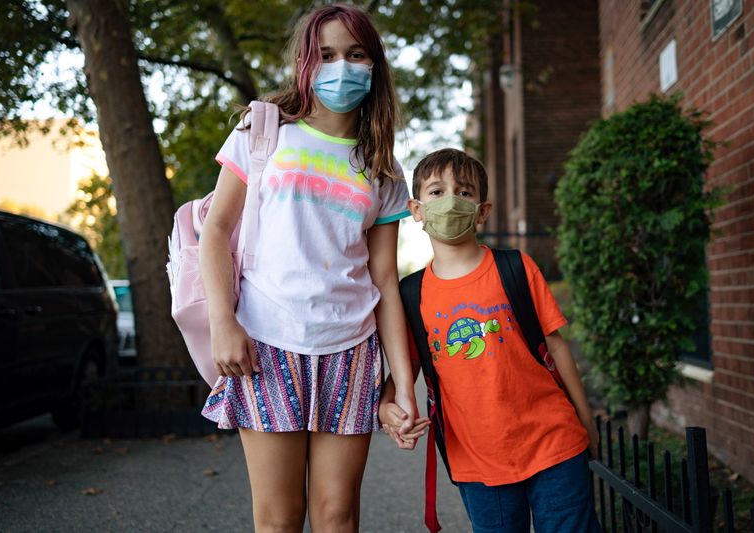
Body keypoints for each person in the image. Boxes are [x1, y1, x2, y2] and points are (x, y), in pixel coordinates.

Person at [198, 4, 418, 532]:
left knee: (337, 516)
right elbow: (215, 232)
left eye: (355, 54)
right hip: (266, 344)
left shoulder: (381, 166)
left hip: (352, 351)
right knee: (278, 519)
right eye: (326, 55)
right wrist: (222, 324)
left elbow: (384, 280)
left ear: (374, 64)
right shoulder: (264, 131)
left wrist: (404, 383)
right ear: (306, 63)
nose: (341, 67)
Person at [379, 148, 601, 533]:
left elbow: (557, 347)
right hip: (477, 463)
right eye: (436, 191)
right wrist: (387, 408)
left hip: (553, 443)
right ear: (415, 210)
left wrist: (587, 423)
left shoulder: (516, 266)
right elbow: (405, 370)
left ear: (482, 211)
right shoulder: (411, 295)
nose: (450, 200)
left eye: (464, 192)